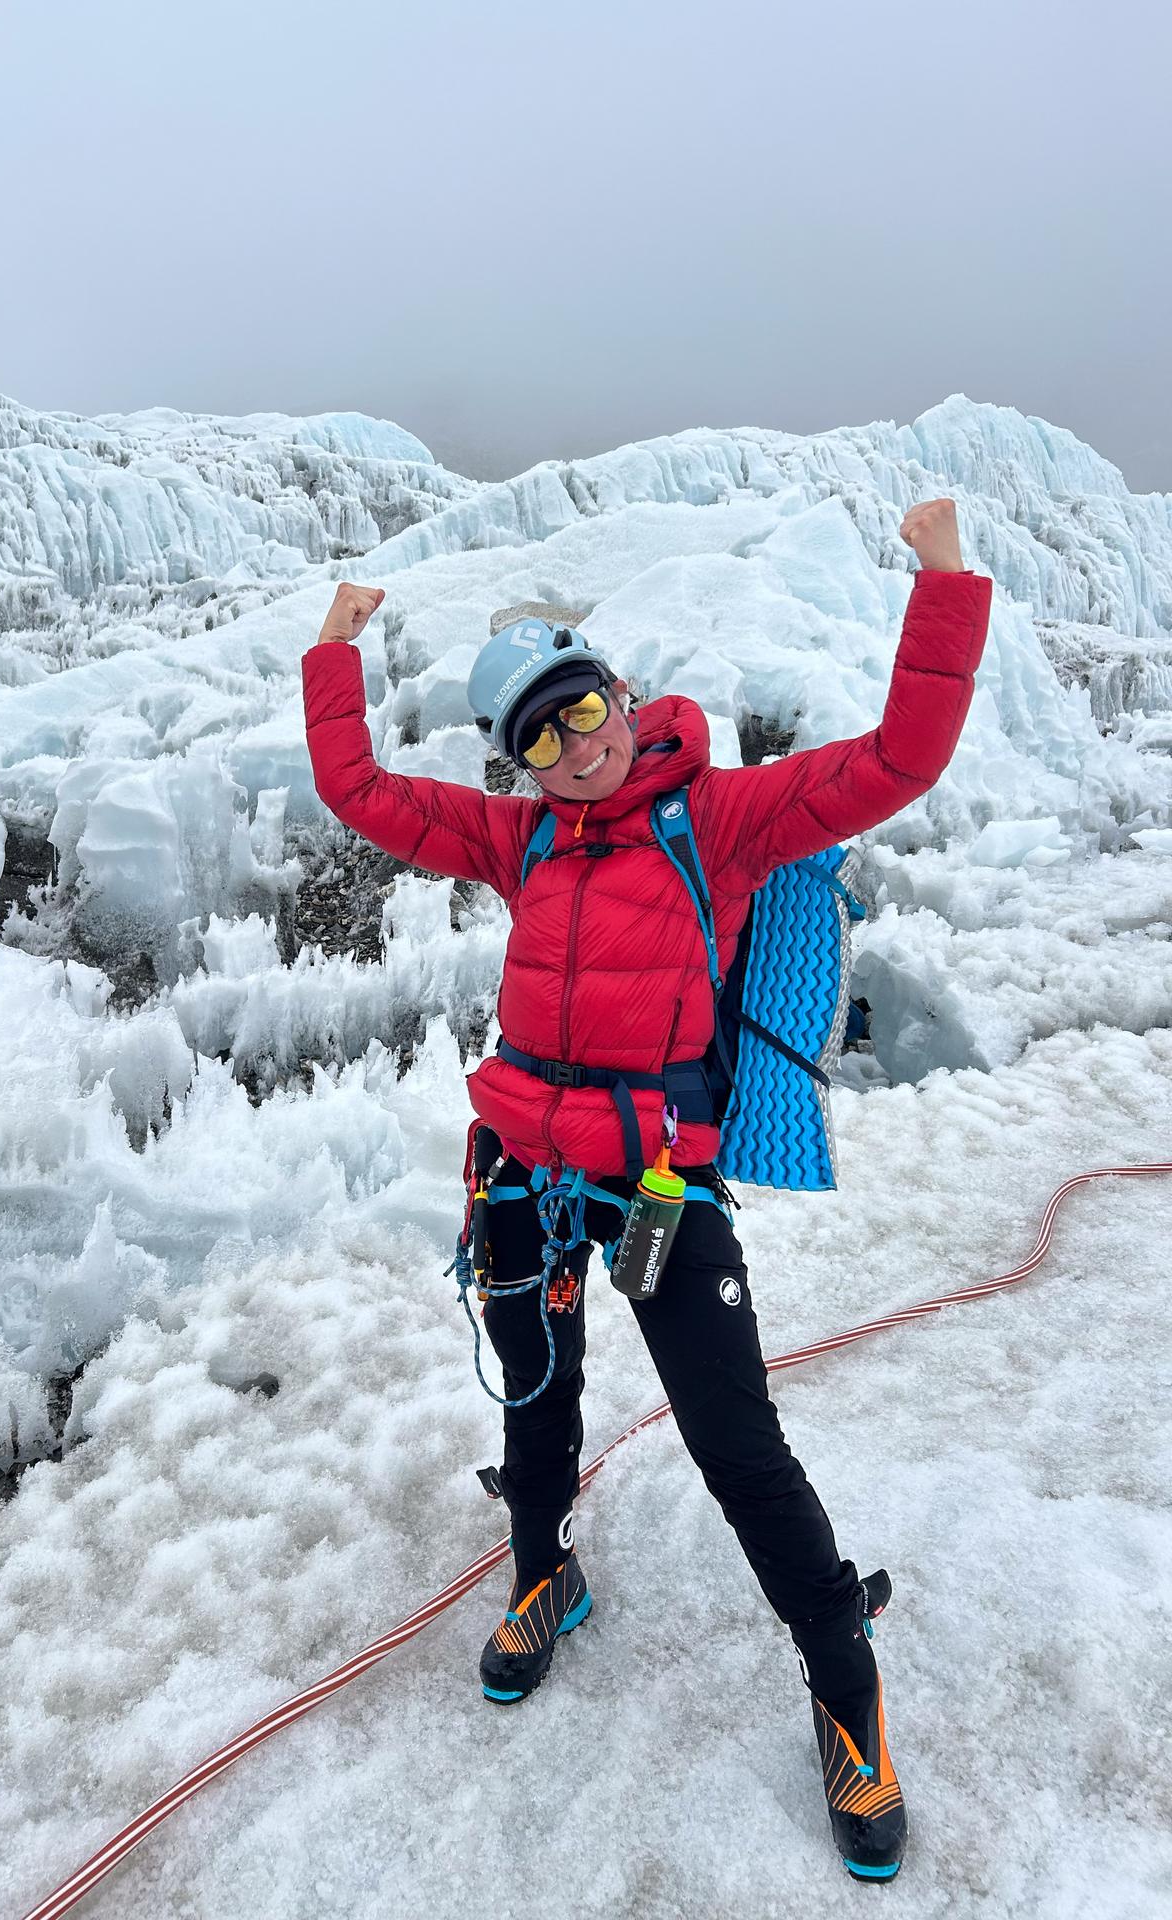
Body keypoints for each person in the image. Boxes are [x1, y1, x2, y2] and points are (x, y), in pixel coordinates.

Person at [301, 500, 993, 1881]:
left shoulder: (719, 821)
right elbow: (364, 799)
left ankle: (844, 1691)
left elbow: (901, 759)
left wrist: (945, 578)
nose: (576, 743)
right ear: (519, 764)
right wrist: (332, 655)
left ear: (624, 696)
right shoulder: (521, 843)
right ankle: (544, 1571)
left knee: (735, 1439)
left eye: (588, 707)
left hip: (660, 1181)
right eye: (541, 736)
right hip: (519, 1171)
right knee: (535, 1388)